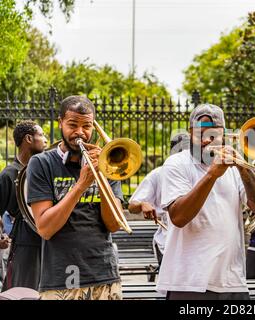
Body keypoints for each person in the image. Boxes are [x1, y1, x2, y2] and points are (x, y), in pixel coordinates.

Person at [157, 103, 255, 300]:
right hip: (188, 282)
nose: (207, 140)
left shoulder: (235, 167)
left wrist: (244, 168)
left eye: (214, 135)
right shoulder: (176, 164)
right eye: (200, 134)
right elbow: (179, 217)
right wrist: (212, 175)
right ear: (190, 133)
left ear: (224, 135)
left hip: (232, 281)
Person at [26, 95, 124, 300]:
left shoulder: (107, 163)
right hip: (61, 279)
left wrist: (102, 175)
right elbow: (45, 228)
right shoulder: (41, 163)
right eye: (72, 125)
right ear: (60, 122)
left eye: (87, 126)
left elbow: (114, 224)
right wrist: (81, 185)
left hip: (104, 275)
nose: (80, 132)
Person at [128, 132, 190, 265]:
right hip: (167, 244)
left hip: (194, 245)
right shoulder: (157, 174)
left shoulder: (199, 172)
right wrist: (142, 204)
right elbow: (132, 206)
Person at [0, 120, 47, 291]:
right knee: (22, 291)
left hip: (51, 240)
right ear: (28, 138)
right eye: (41, 135)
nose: (46, 140)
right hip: (25, 242)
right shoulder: (8, 174)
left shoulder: (45, 169)